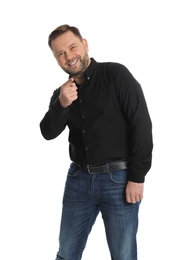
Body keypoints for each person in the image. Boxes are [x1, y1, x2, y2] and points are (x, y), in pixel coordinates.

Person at [40, 24, 153, 260]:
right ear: (56, 60)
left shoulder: (116, 74)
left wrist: (137, 177)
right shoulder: (62, 94)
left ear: (85, 45)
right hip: (78, 181)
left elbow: (141, 125)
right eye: (60, 53)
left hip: (119, 181)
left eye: (72, 47)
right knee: (66, 254)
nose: (69, 56)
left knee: (123, 256)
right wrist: (61, 104)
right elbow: (47, 132)